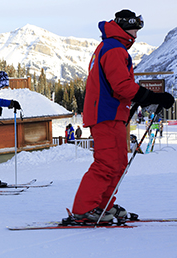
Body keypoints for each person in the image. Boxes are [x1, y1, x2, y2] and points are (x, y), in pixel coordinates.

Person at [70, 9, 175, 224]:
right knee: (107, 163)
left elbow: (116, 87)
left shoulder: (112, 46)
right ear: (126, 28)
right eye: (135, 29)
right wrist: (151, 97)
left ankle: (102, 204)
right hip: (105, 114)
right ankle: (85, 209)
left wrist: (142, 98)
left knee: (118, 163)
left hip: (112, 113)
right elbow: (121, 85)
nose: (136, 35)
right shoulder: (114, 48)